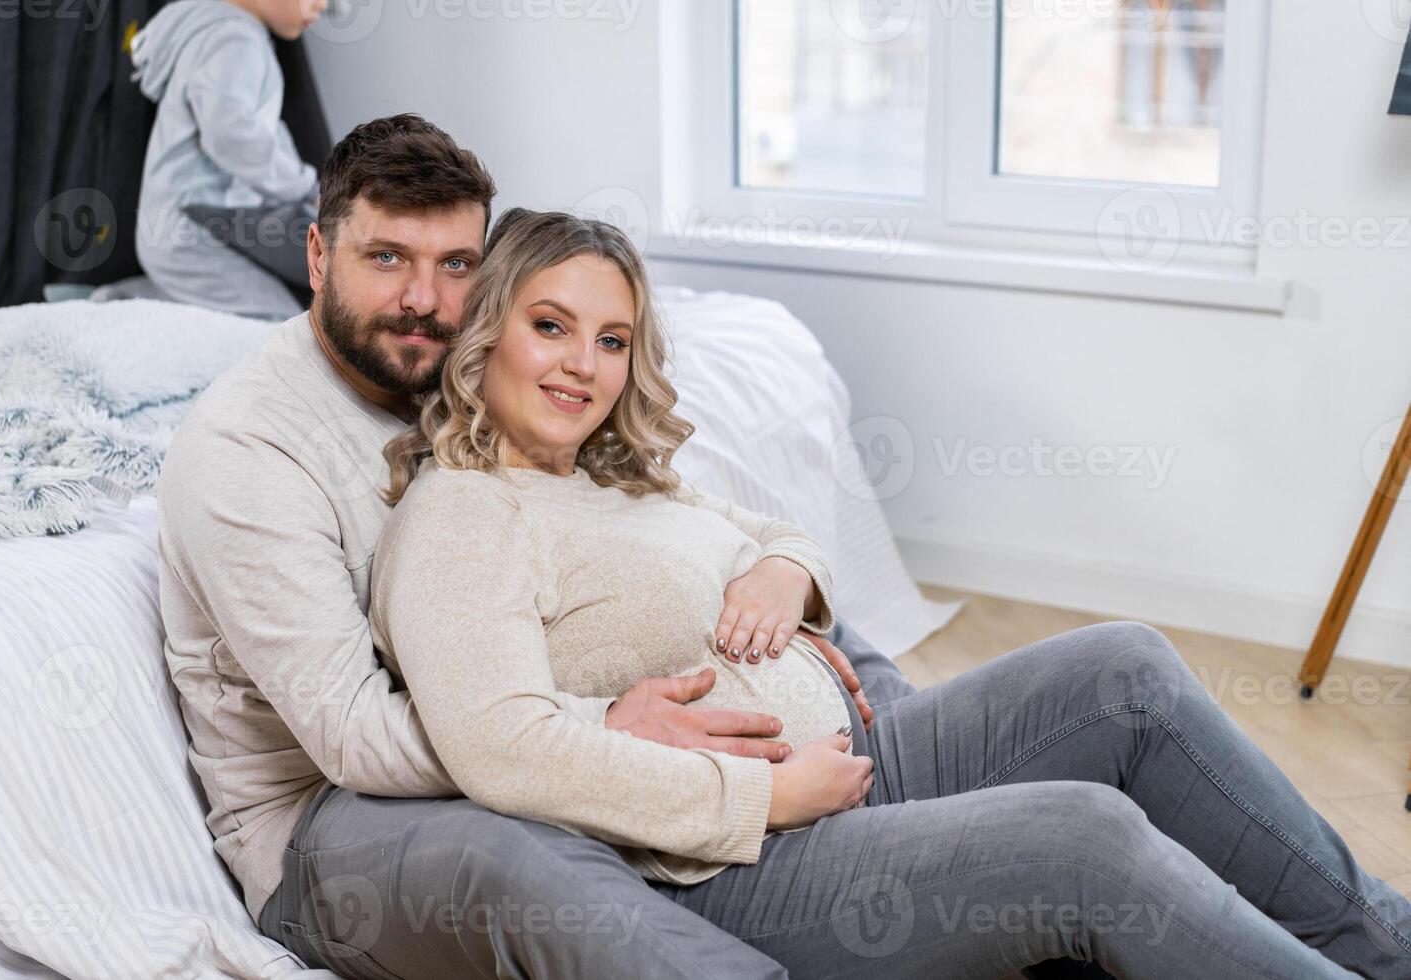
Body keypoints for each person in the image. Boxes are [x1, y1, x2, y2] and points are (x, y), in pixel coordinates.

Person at [355, 206, 1411, 979]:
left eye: (613, 338)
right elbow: (502, 746)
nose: (585, 364)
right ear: (485, 332)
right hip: (740, 857)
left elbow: (773, 532)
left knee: (1125, 667)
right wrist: (767, 796)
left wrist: (785, 568)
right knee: (1082, 839)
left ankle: (1389, 942)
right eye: (552, 325)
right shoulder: (464, 514)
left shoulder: (610, 470)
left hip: (864, 755)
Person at [156, 112, 897, 980]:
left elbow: (677, 522)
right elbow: (353, 736)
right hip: (326, 822)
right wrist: (597, 721)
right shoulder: (248, 451)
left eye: (456, 266)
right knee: (525, 862)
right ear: (319, 257)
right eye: (386, 258)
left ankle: (946, 860)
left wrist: (781, 578)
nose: (424, 301)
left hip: (502, 729)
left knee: (843, 651)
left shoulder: (457, 374)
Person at [129, 0, 326, 318]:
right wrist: (304, 188)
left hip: (188, 227)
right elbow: (232, 134)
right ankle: (108, 306)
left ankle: (125, 300)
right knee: (274, 321)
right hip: (192, 231)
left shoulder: (229, 34)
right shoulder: (234, 39)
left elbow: (258, 135)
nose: (324, 6)